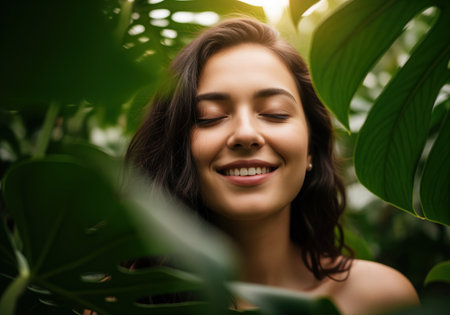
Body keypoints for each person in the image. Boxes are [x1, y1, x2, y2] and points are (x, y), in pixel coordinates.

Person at [126, 17, 419, 315]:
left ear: (311, 150)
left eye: (275, 113)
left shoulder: (379, 298)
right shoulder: (117, 302)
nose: (245, 134)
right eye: (210, 116)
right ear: (177, 149)